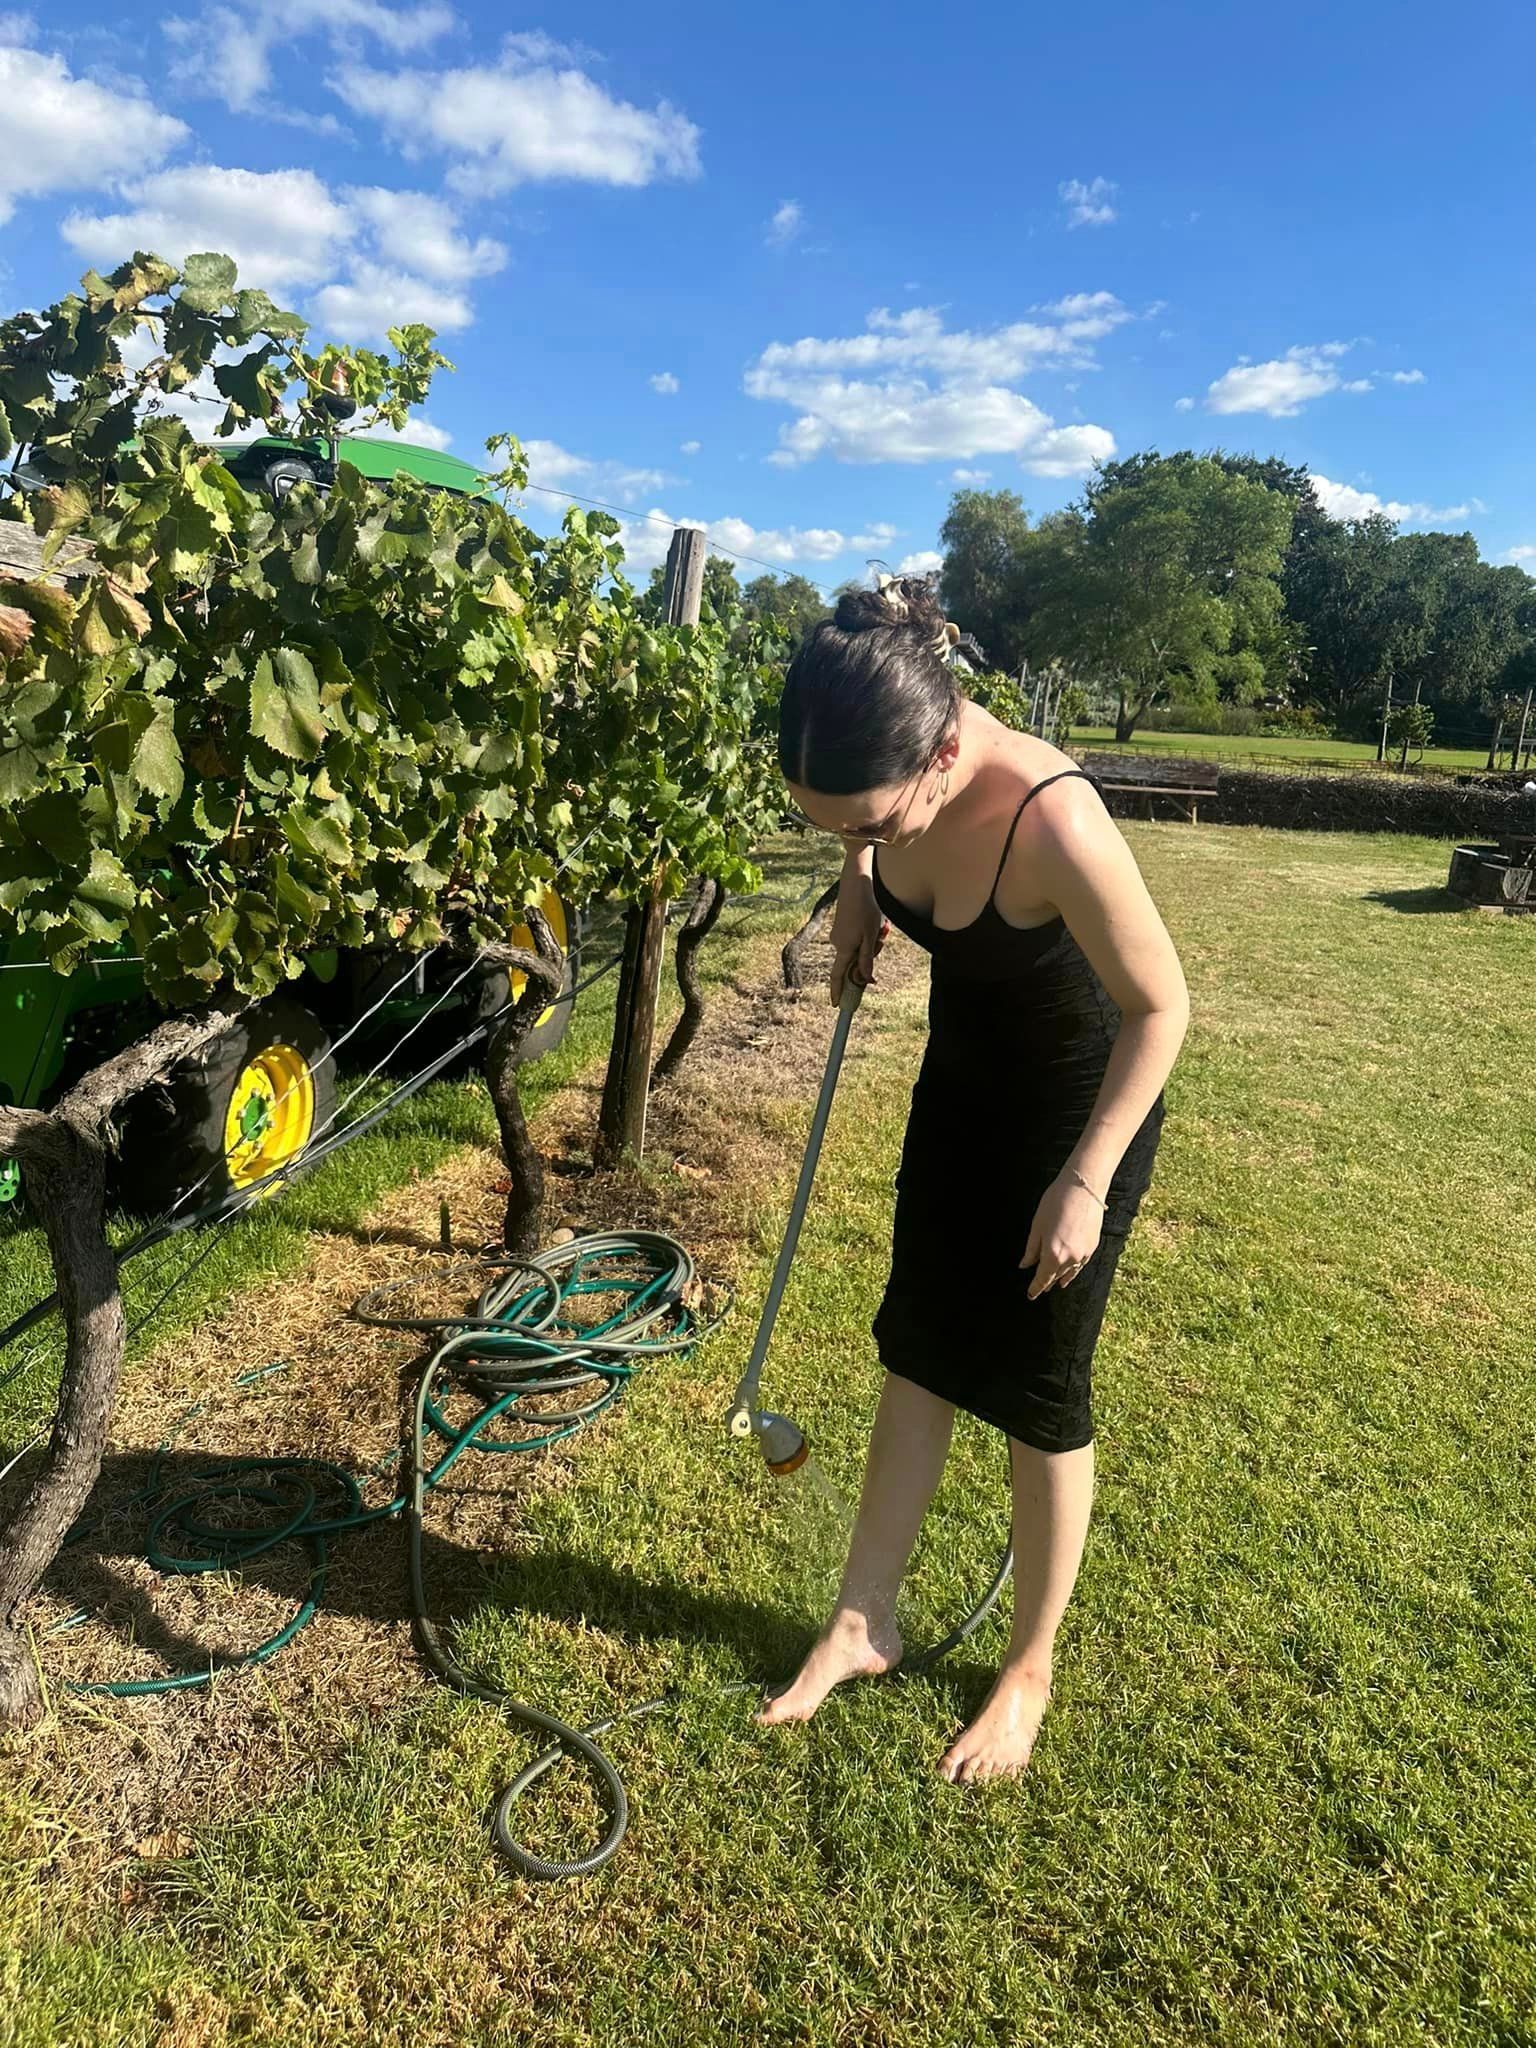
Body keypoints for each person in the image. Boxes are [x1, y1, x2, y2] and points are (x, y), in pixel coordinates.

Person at [757, 580, 1189, 1784]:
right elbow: (866, 825)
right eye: (828, 823)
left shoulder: (1054, 819)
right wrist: (858, 888)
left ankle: (1028, 1668)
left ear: (945, 757)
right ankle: (862, 1620)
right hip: (962, 1086)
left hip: (1077, 1111)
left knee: (1038, 1387)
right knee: (921, 1343)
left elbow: (1163, 1009)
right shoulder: (887, 754)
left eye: (873, 827)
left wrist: (1086, 1180)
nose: (859, 840)